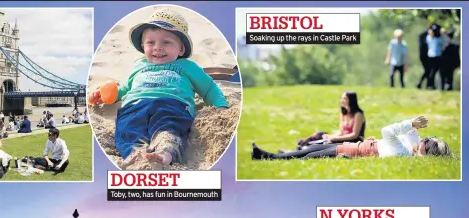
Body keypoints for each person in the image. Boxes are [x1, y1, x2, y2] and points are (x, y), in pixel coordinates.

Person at [90, 7, 229, 166]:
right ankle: (136, 155)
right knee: (127, 130)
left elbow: (209, 88)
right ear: (143, 46)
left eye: (166, 42)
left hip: (171, 104)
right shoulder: (139, 66)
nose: (157, 47)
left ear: (181, 48)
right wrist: (106, 95)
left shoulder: (187, 66)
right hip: (134, 107)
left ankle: (165, 153)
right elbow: (126, 89)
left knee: (169, 127)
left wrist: (221, 106)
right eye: (151, 42)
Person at [251, 116, 451, 160]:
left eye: (426, 142)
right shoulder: (412, 147)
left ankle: (267, 157)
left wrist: (410, 125)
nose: (422, 140)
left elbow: (387, 131)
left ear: (425, 151)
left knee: (309, 156)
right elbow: (411, 133)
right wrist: (413, 124)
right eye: (427, 138)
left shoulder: (403, 152)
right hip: (361, 146)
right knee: (310, 151)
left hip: (360, 150)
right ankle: (267, 156)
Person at [294, 92, 365, 150]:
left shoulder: (358, 115)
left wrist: (334, 138)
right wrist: (330, 136)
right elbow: (341, 132)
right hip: (343, 138)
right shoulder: (343, 114)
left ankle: (305, 148)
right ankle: (303, 145)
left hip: (354, 142)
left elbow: (355, 135)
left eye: (345, 98)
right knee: (319, 135)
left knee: (327, 142)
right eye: (341, 98)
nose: (341, 100)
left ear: (351, 100)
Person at [426, 24, 446, 90]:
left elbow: (443, 45)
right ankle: (431, 85)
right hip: (432, 56)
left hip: (438, 56)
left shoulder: (439, 38)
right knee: (432, 72)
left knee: (439, 72)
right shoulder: (430, 38)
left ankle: (440, 86)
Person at [416, 23, 430, 89]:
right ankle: (422, 83)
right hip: (424, 56)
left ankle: (428, 85)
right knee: (428, 70)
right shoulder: (423, 36)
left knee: (428, 71)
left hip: (427, 56)